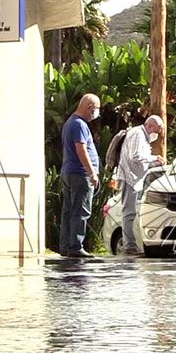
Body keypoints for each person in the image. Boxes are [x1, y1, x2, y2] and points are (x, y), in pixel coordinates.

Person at [116, 114, 165, 255]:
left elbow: (142, 159)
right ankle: (129, 245)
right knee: (129, 212)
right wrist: (154, 158)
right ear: (149, 126)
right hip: (129, 177)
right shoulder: (137, 134)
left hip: (136, 178)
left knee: (131, 212)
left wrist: (155, 162)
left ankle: (131, 244)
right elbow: (135, 156)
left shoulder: (143, 136)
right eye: (156, 131)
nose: (156, 134)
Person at [59, 93, 101, 258]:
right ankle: (76, 246)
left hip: (69, 172)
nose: (96, 113)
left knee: (69, 211)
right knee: (80, 211)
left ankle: (67, 246)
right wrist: (92, 172)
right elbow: (81, 149)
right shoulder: (79, 125)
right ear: (89, 107)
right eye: (96, 109)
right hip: (80, 174)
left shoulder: (71, 123)